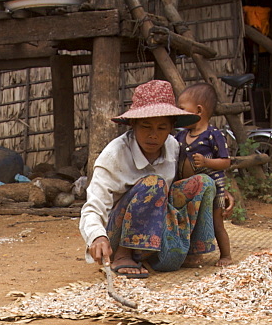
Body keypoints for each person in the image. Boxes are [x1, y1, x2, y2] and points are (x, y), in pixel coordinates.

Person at [79, 80, 217, 278]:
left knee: (204, 183)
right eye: (145, 126)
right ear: (133, 125)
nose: (153, 135)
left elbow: (178, 188)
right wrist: (97, 237)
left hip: (158, 225)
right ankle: (124, 254)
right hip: (117, 234)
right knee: (154, 182)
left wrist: (221, 192)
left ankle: (191, 252)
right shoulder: (113, 155)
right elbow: (93, 207)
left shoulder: (173, 147)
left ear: (171, 127)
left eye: (161, 128)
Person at [175, 83, 234, 267]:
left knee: (216, 222)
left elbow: (225, 161)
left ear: (199, 110)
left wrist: (207, 162)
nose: (179, 113)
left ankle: (226, 255)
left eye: (182, 109)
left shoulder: (213, 135)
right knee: (190, 220)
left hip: (213, 188)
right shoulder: (181, 136)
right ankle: (190, 252)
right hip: (188, 190)